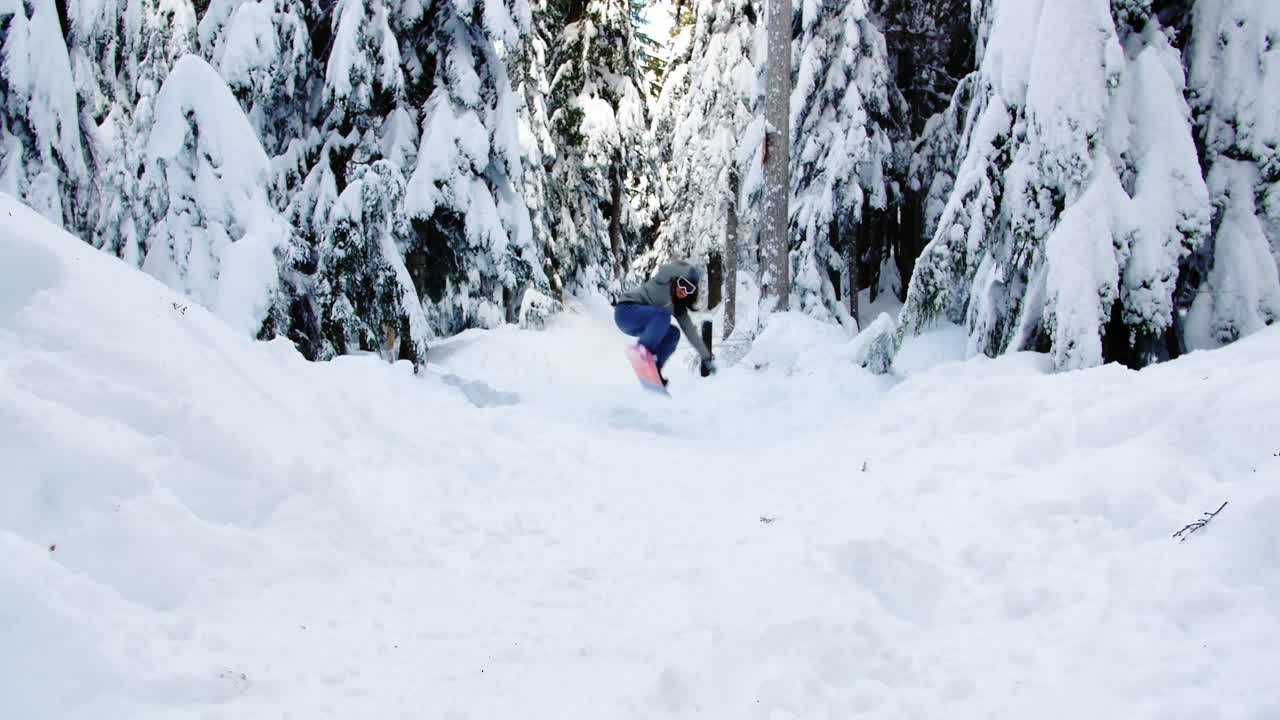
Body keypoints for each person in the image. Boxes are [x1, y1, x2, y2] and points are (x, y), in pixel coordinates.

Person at [614, 260, 716, 386]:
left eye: (689, 289)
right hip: (626, 312)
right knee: (663, 314)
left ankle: (655, 368)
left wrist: (706, 356)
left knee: (674, 334)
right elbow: (667, 269)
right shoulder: (663, 281)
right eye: (682, 284)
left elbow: (691, 333)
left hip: (639, 326)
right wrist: (689, 271)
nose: (683, 290)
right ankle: (642, 352)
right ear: (677, 279)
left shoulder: (679, 308)